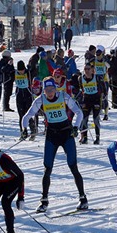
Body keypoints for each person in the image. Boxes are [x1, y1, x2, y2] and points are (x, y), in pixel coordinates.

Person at [20, 78, 88, 213]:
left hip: (66, 134)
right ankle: (44, 201)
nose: (49, 93)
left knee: (73, 166)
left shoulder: (63, 96)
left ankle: (83, 199)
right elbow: (27, 116)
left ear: (55, 89)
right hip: (51, 135)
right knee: (47, 168)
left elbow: (79, 112)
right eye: (46, 90)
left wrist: (76, 127)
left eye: (51, 90)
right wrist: (24, 129)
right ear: (43, 90)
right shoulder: (40, 99)